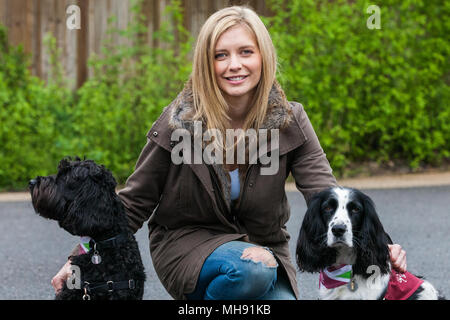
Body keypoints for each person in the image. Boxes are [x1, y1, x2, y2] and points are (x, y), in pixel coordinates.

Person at [51, 6, 407, 300]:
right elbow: (131, 204)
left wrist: (384, 245)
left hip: (265, 249)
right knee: (249, 271)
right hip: (187, 247)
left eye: (245, 52)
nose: (234, 65)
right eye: (221, 55)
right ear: (207, 64)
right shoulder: (179, 122)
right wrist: (79, 260)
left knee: (258, 274)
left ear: (262, 57)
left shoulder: (290, 119)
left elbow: (326, 194)